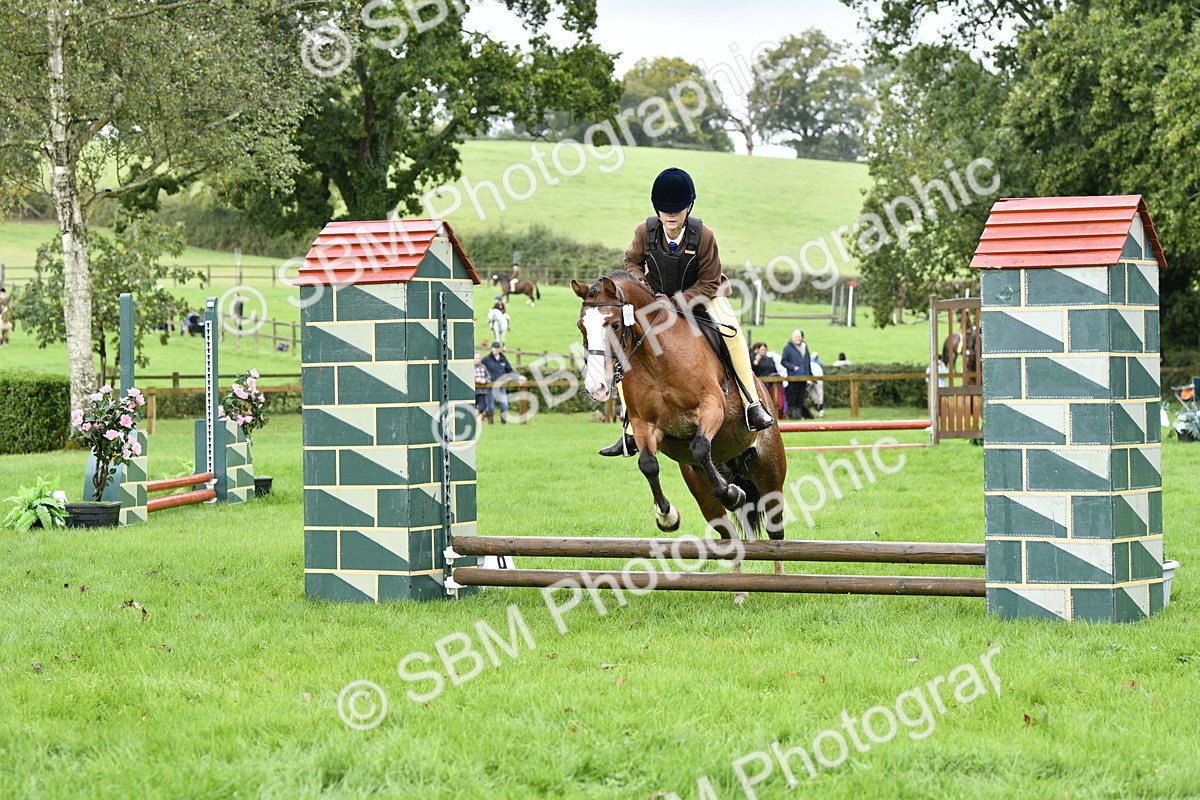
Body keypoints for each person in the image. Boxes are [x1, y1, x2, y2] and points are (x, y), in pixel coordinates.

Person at [599, 167, 774, 456]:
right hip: (654, 301)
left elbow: (709, 281)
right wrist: (645, 290)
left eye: (677, 210)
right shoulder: (644, 231)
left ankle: (751, 403)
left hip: (703, 298)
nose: (670, 215)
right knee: (623, 343)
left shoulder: (704, 235)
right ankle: (630, 425)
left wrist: (676, 303)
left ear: (689, 207)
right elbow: (631, 263)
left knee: (732, 332)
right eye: (664, 210)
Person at [780, 330, 813, 420]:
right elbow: (783, 361)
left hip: (803, 377)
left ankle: (799, 415)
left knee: (801, 397)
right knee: (792, 397)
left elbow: (807, 362)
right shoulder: (787, 348)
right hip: (793, 376)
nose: (798, 338)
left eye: (799, 337)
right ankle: (792, 416)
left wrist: (810, 376)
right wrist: (793, 367)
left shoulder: (805, 347)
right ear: (792, 337)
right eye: (796, 337)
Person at [481, 341, 515, 424]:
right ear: (492, 348)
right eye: (495, 347)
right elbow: (480, 368)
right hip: (490, 385)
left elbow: (509, 370)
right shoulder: (486, 359)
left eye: (497, 348)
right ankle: (490, 422)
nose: (496, 349)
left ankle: (504, 423)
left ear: (499, 349)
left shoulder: (503, 359)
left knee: (504, 405)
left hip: (501, 385)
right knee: (490, 406)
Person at [808, 352, 826, 418]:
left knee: (816, 393)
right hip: (815, 374)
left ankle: (820, 409)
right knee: (817, 393)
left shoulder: (811, 363)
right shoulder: (818, 363)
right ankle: (820, 409)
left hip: (812, 376)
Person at [473, 353, 490, 417]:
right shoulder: (470, 367)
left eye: (479, 358)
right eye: (476, 358)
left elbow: (488, 377)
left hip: (482, 391)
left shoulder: (483, 367)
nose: (477, 360)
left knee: (482, 407)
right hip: (473, 391)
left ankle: (475, 416)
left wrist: (484, 380)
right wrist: (475, 380)